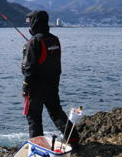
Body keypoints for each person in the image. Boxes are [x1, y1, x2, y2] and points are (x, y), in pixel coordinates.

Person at [21, 10, 80, 148]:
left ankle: (38, 147)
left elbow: (28, 69)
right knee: (56, 112)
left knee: (34, 117)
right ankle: (73, 139)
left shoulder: (33, 42)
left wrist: (25, 87)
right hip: (53, 84)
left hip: (36, 86)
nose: (29, 26)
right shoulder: (54, 39)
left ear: (35, 22)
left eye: (30, 22)